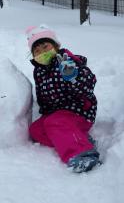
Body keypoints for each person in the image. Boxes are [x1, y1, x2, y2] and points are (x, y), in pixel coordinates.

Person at [25, 25, 100, 173]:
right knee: (36, 130)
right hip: (57, 115)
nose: (42, 53)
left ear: (56, 46)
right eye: (37, 51)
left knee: (55, 122)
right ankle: (78, 138)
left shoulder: (68, 61)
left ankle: (82, 154)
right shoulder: (39, 71)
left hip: (80, 111)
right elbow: (43, 95)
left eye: (45, 47)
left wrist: (74, 77)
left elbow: (88, 87)